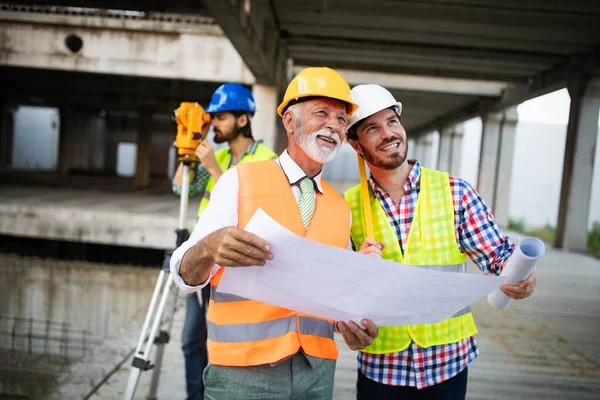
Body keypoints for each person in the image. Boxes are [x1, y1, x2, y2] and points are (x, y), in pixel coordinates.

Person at [169, 67, 379, 400]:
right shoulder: (240, 181)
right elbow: (183, 273)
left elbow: (329, 297)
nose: (333, 126)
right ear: (289, 122)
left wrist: (349, 324)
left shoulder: (341, 208)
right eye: (321, 113)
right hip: (242, 375)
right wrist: (208, 248)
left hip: (317, 376)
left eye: (341, 119)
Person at [344, 84, 537, 400]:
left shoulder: (454, 192)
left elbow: (497, 255)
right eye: (372, 128)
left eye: (392, 121)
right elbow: (338, 292)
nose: (388, 133)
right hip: (381, 368)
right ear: (356, 145)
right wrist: (357, 282)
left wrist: (520, 274)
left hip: (447, 365)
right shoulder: (348, 208)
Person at [171, 82, 277, 400]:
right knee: (191, 341)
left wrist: (216, 170)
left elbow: (251, 214)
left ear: (242, 120)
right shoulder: (215, 153)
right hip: (203, 262)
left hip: (235, 271)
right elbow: (180, 188)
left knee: (222, 345)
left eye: (220, 117)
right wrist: (189, 145)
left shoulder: (266, 161)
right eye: (212, 117)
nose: (213, 123)